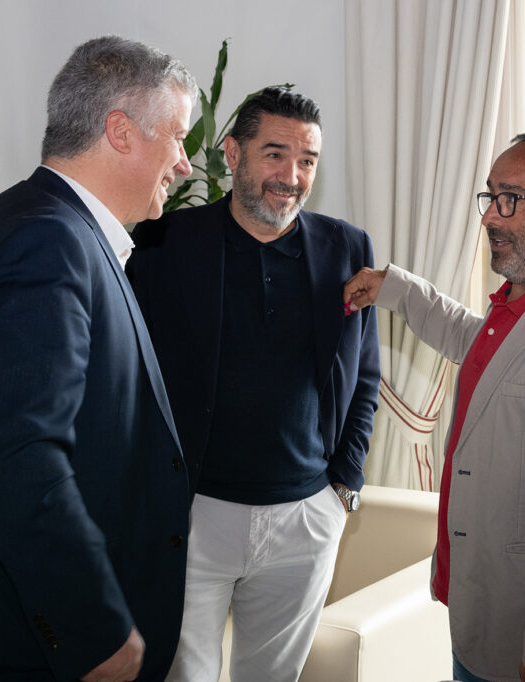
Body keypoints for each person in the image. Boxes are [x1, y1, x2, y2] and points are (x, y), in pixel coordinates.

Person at [0, 36, 196, 681]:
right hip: (20, 641)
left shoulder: (46, 225)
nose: (184, 164)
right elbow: (21, 457)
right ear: (121, 132)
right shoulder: (48, 241)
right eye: (179, 138)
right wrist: (91, 628)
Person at [344, 131, 525, 682]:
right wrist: (393, 287)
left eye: (512, 200)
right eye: (491, 197)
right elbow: (465, 336)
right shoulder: (519, 304)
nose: (491, 218)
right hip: (479, 610)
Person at [125, 86, 380, 682]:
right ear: (234, 154)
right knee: (182, 675)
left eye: (308, 160)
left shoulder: (348, 247)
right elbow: (128, 370)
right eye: (274, 154)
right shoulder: (164, 241)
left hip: (306, 517)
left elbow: (364, 371)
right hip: (192, 514)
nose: (291, 175)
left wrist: (344, 483)